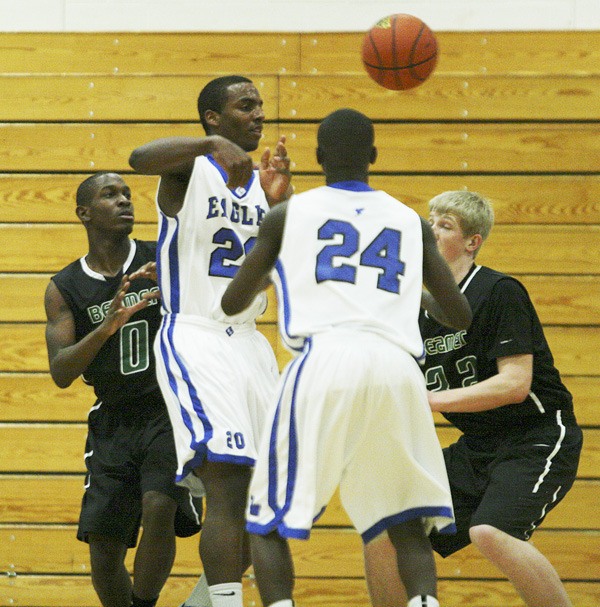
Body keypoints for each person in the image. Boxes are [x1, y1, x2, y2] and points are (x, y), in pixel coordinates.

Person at [220, 108, 473, 607]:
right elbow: (459, 314)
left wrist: (277, 260)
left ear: (317, 159)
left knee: (266, 519)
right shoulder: (409, 220)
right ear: (374, 157)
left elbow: (232, 303)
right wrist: (404, 295)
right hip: (398, 370)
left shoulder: (286, 215)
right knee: (405, 520)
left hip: (327, 359)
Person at [363, 190, 583, 607]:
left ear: (472, 242)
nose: (431, 230)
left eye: (444, 225)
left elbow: (514, 383)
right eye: (429, 222)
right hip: (479, 446)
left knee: (490, 532)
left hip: (536, 437)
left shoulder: (498, 291)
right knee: (384, 526)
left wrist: (431, 400)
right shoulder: (410, 310)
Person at [128, 75, 292, 607]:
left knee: (266, 496)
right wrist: (205, 145)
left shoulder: (267, 189)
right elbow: (138, 156)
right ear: (213, 118)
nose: (259, 114)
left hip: (250, 344)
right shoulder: (190, 167)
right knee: (224, 482)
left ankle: (206, 601)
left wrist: (281, 207)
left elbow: (277, 274)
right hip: (196, 337)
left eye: (261, 105)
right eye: (245, 106)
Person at [43, 172, 203, 607]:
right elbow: (60, 371)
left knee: (157, 507)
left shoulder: (159, 259)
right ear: (84, 213)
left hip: (167, 409)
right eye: (109, 195)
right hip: (112, 419)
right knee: (104, 553)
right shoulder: (65, 287)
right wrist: (106, 326)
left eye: (127, 193)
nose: (124, 201)